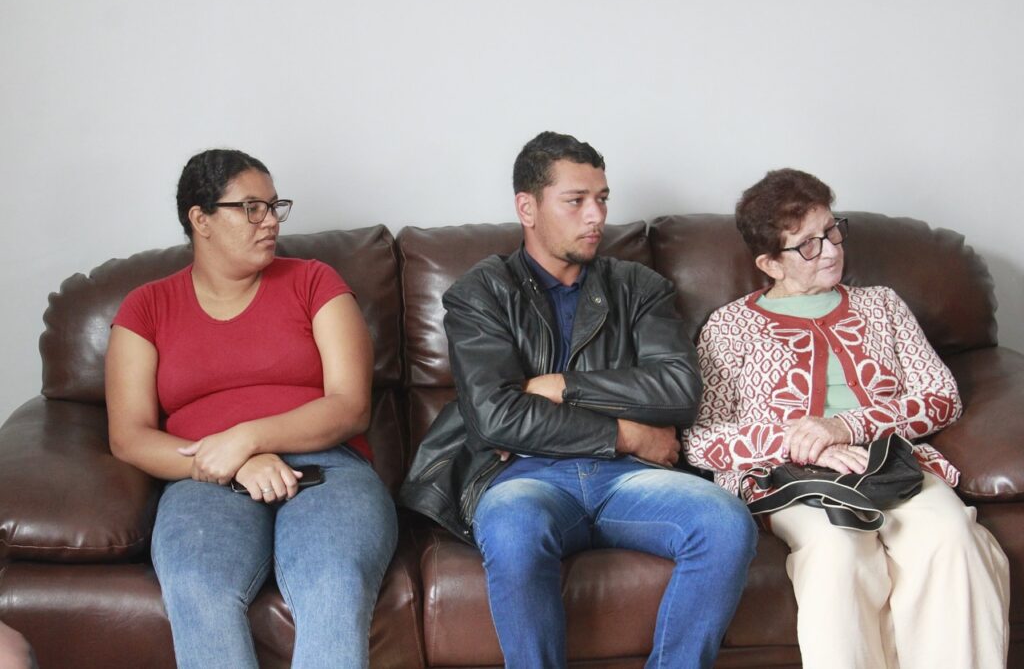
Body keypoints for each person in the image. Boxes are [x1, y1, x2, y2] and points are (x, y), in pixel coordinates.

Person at [400, 131, 757, 669]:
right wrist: (625, 433)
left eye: (602, 199)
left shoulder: (638, 287)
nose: (597, 216)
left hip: (631, 480)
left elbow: (679, 390)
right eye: (576, 201)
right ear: (527, 208)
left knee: (725, 523)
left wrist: (562, 386)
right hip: (525, 478)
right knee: (512, 528)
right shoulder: (482, 292)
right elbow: (496, 417)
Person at [682, 168, 1010, 669]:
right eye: (807, 245)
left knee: (951, 538)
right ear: (769, 263)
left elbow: (941, 397)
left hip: (892, 462)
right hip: (788, 476)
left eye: (832, 230)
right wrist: (798, 440)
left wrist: (845, 426)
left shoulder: (883, 306)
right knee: (837, 549)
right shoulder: (731, 326)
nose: (831, 250)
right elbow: (701, 439)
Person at [105, 149, 397, 669]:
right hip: (203, 480)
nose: (271, 222)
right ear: (201, 219)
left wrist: (249, 437)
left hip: (328, 469)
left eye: (274, 207)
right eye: (251, 208)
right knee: (197, 584)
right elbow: (129, 436)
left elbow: (350, 406)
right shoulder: (146, 307)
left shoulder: (314, 281)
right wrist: (232, 460)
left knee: (332, 579)